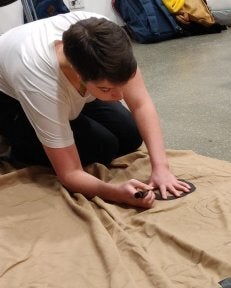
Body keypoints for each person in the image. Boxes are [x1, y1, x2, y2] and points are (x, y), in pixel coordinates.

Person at [0, 11, 190, 209]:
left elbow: (141, 103)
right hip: (9, 98)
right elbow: (70, 173)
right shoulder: (39, 83)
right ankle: (19, 143)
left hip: (60, 77)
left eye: (121, 85)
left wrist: (161, 167)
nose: (119, 96)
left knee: (130, 136)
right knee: (102, 147)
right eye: (106, 89)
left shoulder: (106, 38)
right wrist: (114, 192)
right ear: (78, 75)